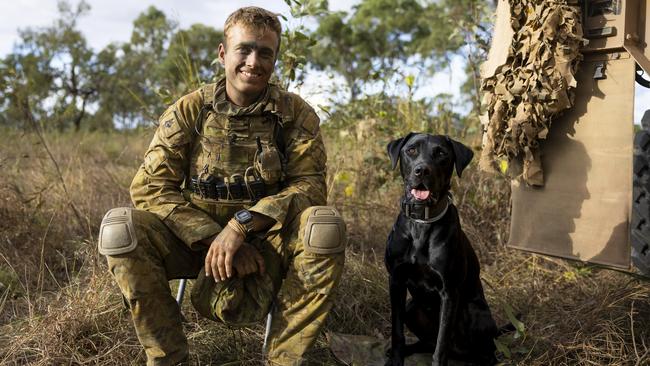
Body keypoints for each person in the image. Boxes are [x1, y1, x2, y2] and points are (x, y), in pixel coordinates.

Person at [97, 7, 346, 366]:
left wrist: (242, 226)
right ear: (222, 53)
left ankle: (283, 360)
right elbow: (151, 187)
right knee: (121, 228)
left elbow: (309, 186)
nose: (253, 61)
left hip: (267, 242)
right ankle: (169, 358)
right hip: (193, 242)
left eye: (265, 53)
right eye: (243, 49)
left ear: (274, 59)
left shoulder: (295, 115)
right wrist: (216, 237)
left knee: (324, 227)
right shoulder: (190, 111)